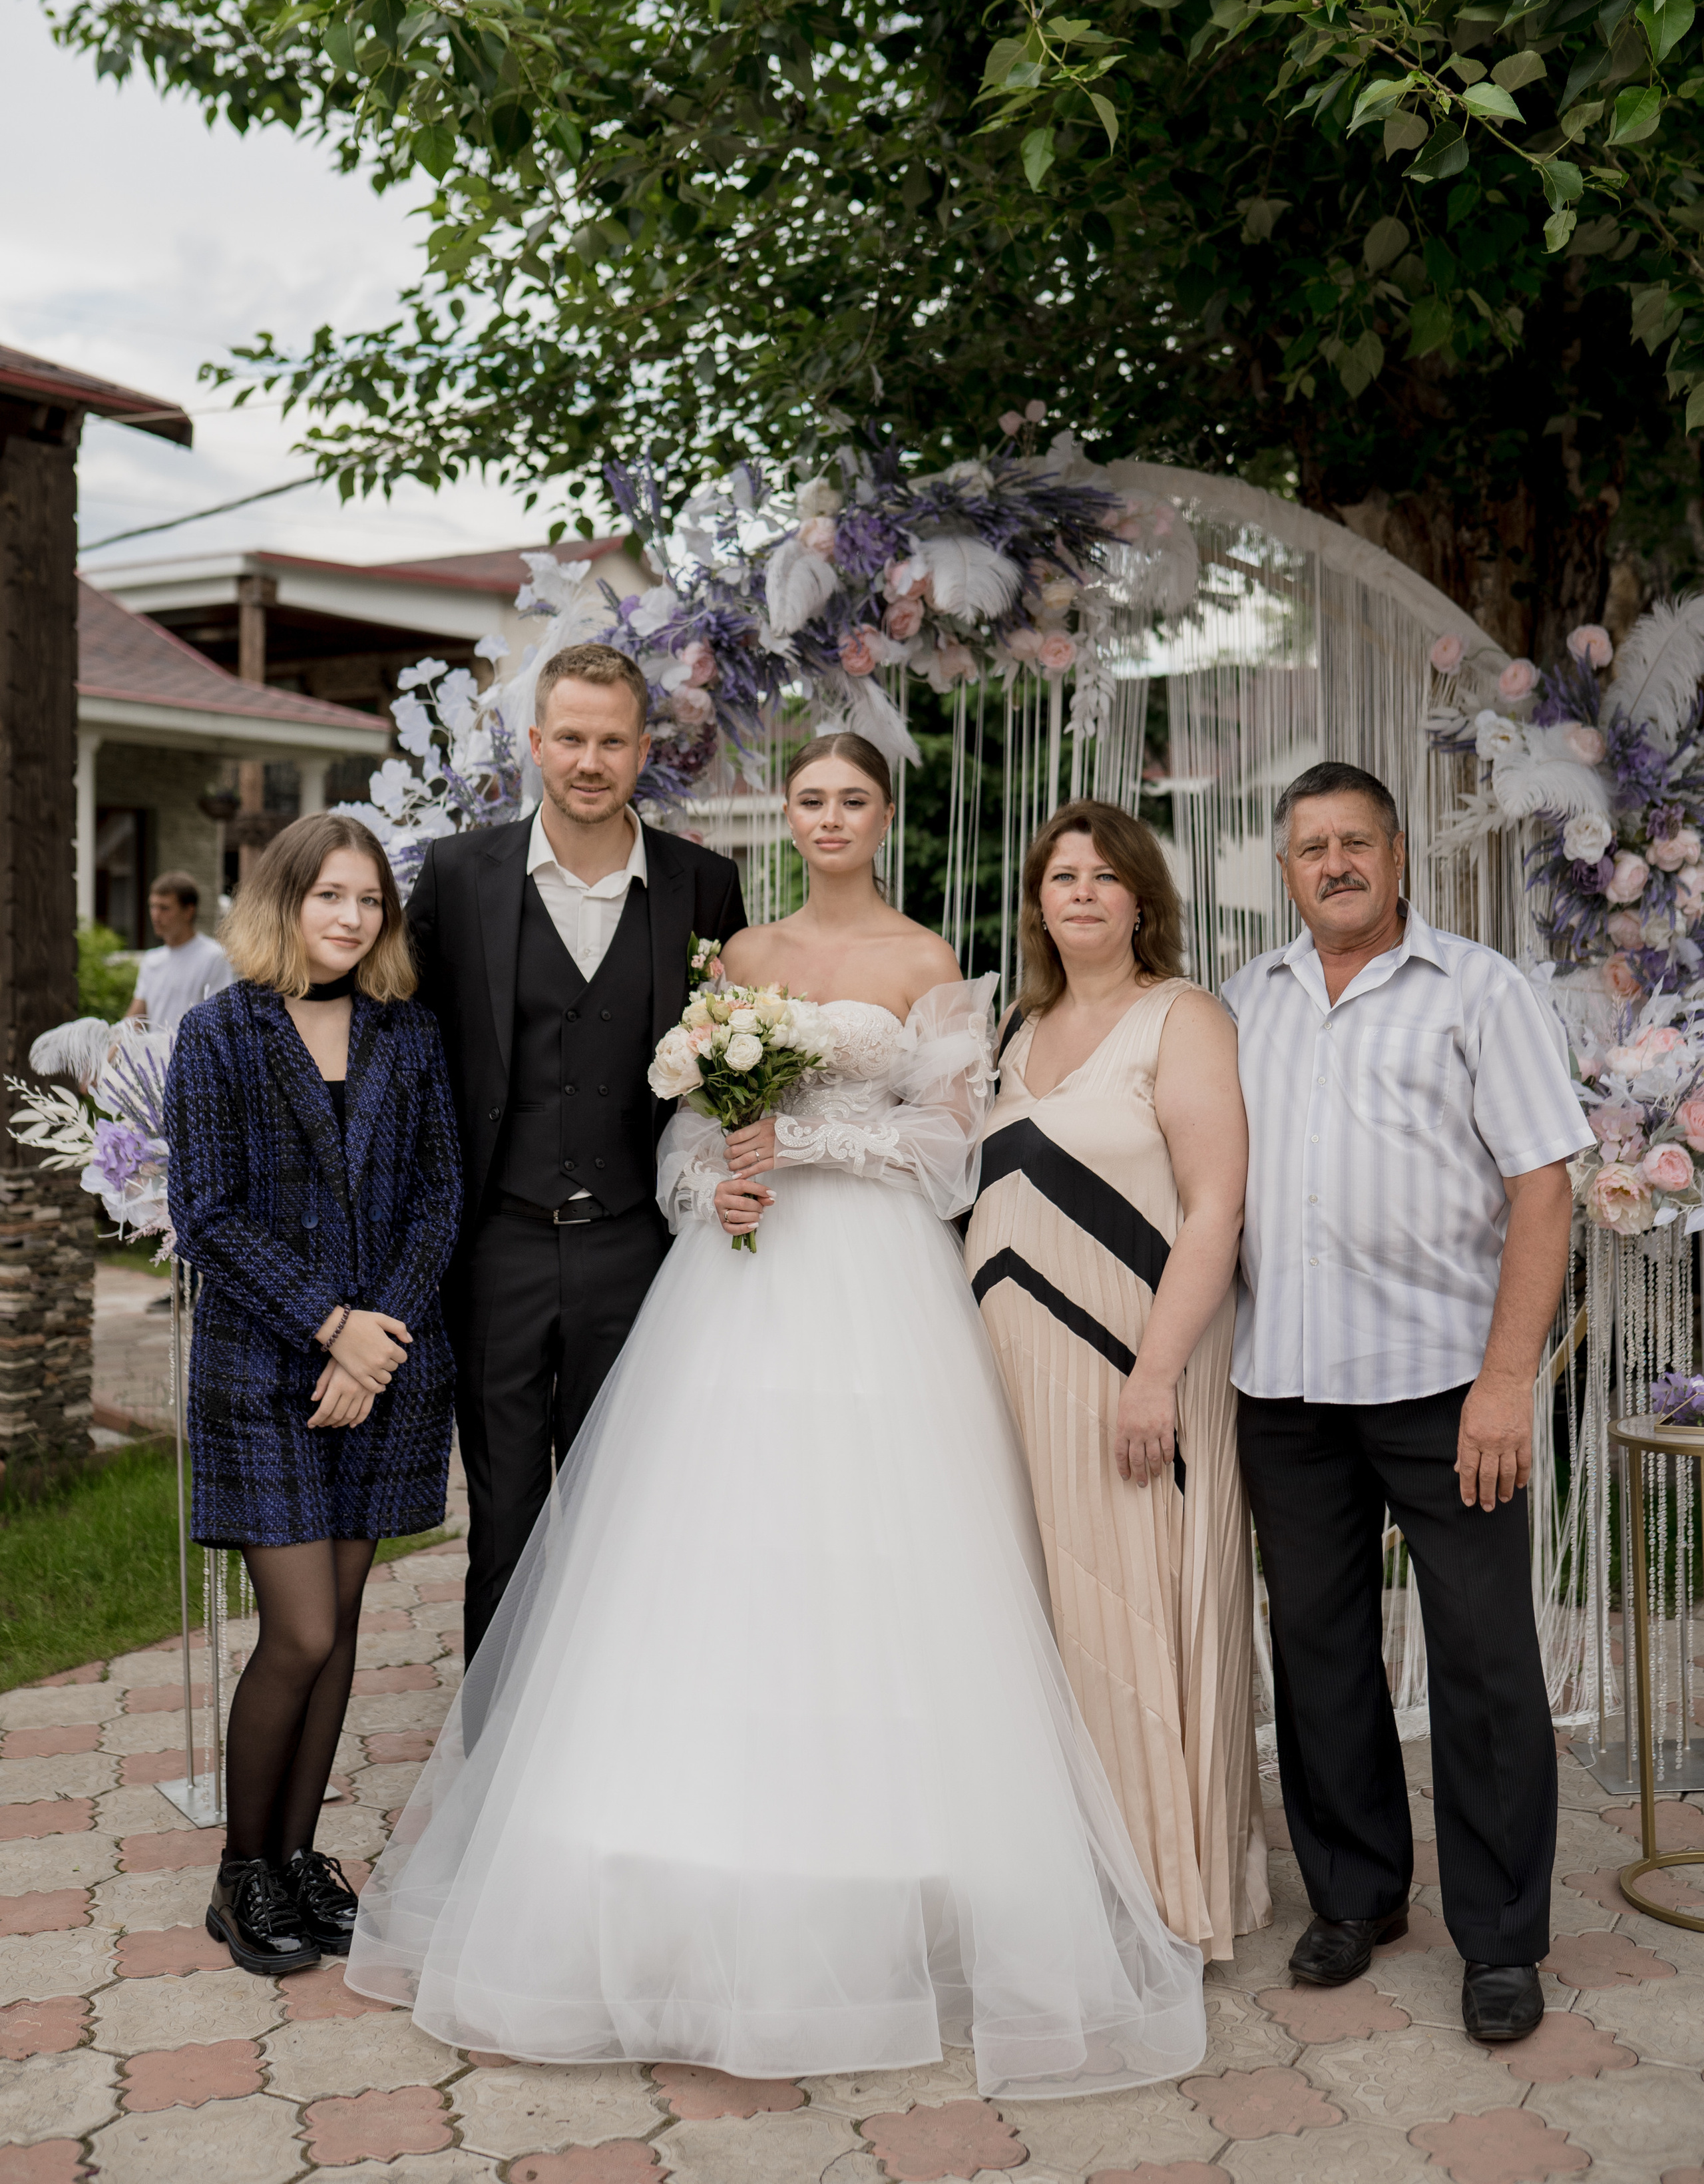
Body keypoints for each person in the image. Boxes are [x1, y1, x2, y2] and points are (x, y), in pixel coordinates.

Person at [347, 733, 1207, 2097]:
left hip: (876, 1283)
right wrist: (712, 1186)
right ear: (786, 820)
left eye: (852, 800)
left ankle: (892, 1863)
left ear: (882, 815)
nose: (828, 819)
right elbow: (684, 1129)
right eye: (808, 799)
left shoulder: (931, 967)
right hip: (738, 1286)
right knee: (711, 1549)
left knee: (876, 1550)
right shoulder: (738, 959)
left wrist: (798, 1145)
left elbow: (946, 1155)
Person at [1221, 761, 1591, 2048]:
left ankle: (1500, 1939)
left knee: (1484, 1662)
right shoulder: (1244, 1001)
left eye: (1356, 843)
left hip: (1445, 1386)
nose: (1335, 864)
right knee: (1317, 1654)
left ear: (1397, 861)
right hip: (1282, 1385)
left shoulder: (1480, 990)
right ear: (1287, 871)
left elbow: (1544, 1190)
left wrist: (1506, 1381)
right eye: (1312, 847)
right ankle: (1356, 1895)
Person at [965, 800, 1267, 1964]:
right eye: (1060, 876)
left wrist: (1153, 1379)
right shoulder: (1016, 1027)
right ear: (1038, 901)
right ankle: (1075, 1878)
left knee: (1138, 1616)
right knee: (1045, 1623)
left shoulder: (1183, 1019)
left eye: (1104, 875)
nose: (1081, 892)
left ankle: (1164, 1894)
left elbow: (1215, 1207)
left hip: (1134, 1370)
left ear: (1144, 898)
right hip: (1012, 1381)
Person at [405, 642, 746, 1667]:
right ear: (534, 745)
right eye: (571, 740)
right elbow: (407, 1047)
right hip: (497, 1248)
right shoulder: (460, 875)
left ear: (645, 750)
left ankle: (612, 1756)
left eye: (612, 741)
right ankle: (491, 1772)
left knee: (627, 1520)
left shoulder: (703, 885)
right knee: (503, 1523)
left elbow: (736, 1057)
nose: (589, 761)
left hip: (638, 1252)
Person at [164, 815, 461, 1980]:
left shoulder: (409, 1032)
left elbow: (440, 1196)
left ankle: (297, 1859)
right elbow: (207, 1215)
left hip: (386, 1368)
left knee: (342, 1638)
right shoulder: (218, 1035)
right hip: (262, 1371)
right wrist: (330, 1329)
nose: (349, 918)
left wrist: (373, 1344)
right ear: (283, 901)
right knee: (302, 1630)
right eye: (328, 896)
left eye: (369, 902)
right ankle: (242, 1876)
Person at [124, 870, 234, 1028]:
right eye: (153, 906)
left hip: (195, 1053)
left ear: (189, 911)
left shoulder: (214, 957)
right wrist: (108, 1051)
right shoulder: (152, 960)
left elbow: (220, 1020)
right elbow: (134, 1021)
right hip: (155, 1052)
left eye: (164, 908)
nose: (155, 915)